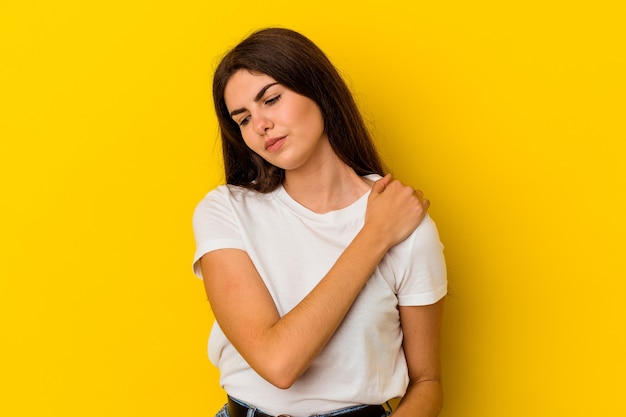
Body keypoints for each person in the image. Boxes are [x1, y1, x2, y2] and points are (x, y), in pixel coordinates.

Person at [192, 28, 447, 417]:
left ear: (319, 91)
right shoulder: (226, 211)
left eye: (272, 99)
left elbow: (426, 382)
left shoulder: (406, 223)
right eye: (243, 119)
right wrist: (374, 236)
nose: (259, 125)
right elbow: (279, 364)